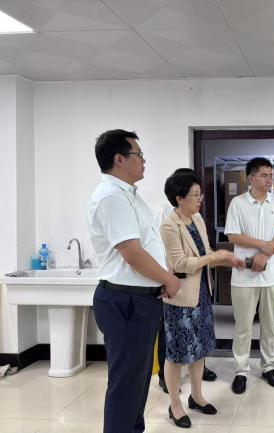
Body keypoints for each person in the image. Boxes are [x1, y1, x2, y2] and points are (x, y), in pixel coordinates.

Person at [87, 129, 181, 433]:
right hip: (125, 301)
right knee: (127, 383)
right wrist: (168, 278)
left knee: (138, 381)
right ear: (119, 159)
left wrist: (159, 280)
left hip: (140, 297)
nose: (143, 160)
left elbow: (144, 248)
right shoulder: (111, 197)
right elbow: (132, 253)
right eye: (138, 155)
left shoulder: (129, 195)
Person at [160, 169, 243, 428]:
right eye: (195, 195)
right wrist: (215, 256)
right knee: (176, 354)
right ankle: (175, 405)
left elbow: (205, 254)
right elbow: (180, 263)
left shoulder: (197, 220)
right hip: (181, 299)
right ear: (179, 198)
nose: (200, 199)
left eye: (200, 194)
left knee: (199, 349)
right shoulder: (169, 225)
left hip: (202, 295)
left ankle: (196, 396)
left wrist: (226, 259)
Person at [224, 157, 274, 394]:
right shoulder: (238, 203)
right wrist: (262, 245)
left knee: (270, 325)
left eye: (271, 175)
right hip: (244, 275)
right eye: (264, 175)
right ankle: (241, 371)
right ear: (250, 178)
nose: (269, 179)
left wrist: (265, 254)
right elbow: (232, 235)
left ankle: (269, 367)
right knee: (243, 326)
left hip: (272, 274)